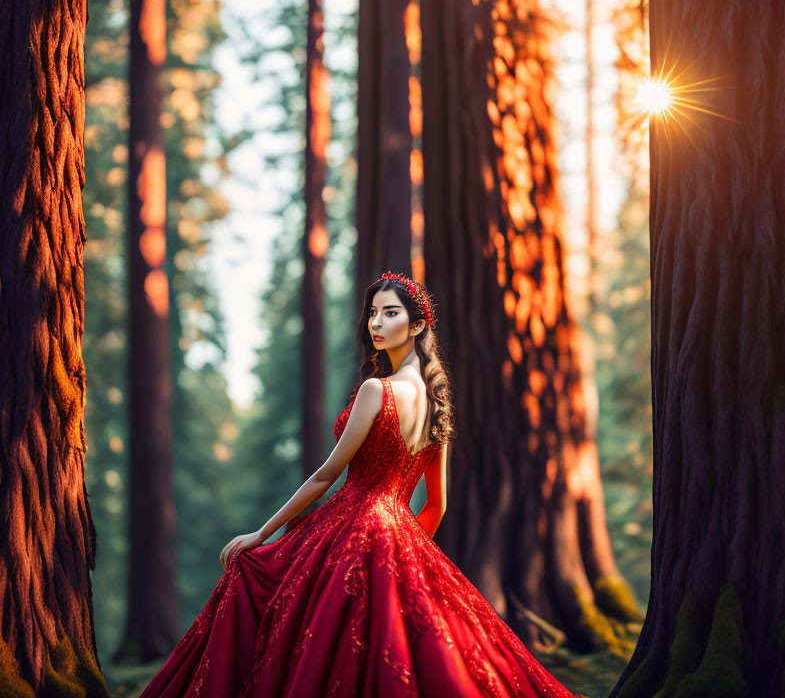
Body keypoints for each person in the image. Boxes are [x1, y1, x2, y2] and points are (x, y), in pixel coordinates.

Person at [140, 271, 580, 697]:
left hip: (352, 525)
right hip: (400, 534)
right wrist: (405, 555)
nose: (376, 324)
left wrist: (262, 533)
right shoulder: (436, 403)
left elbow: (327, 475)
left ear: (418, 323)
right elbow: (436, 507)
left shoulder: (377, 389)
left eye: (390, 313)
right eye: (373, 314)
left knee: (287, 610)